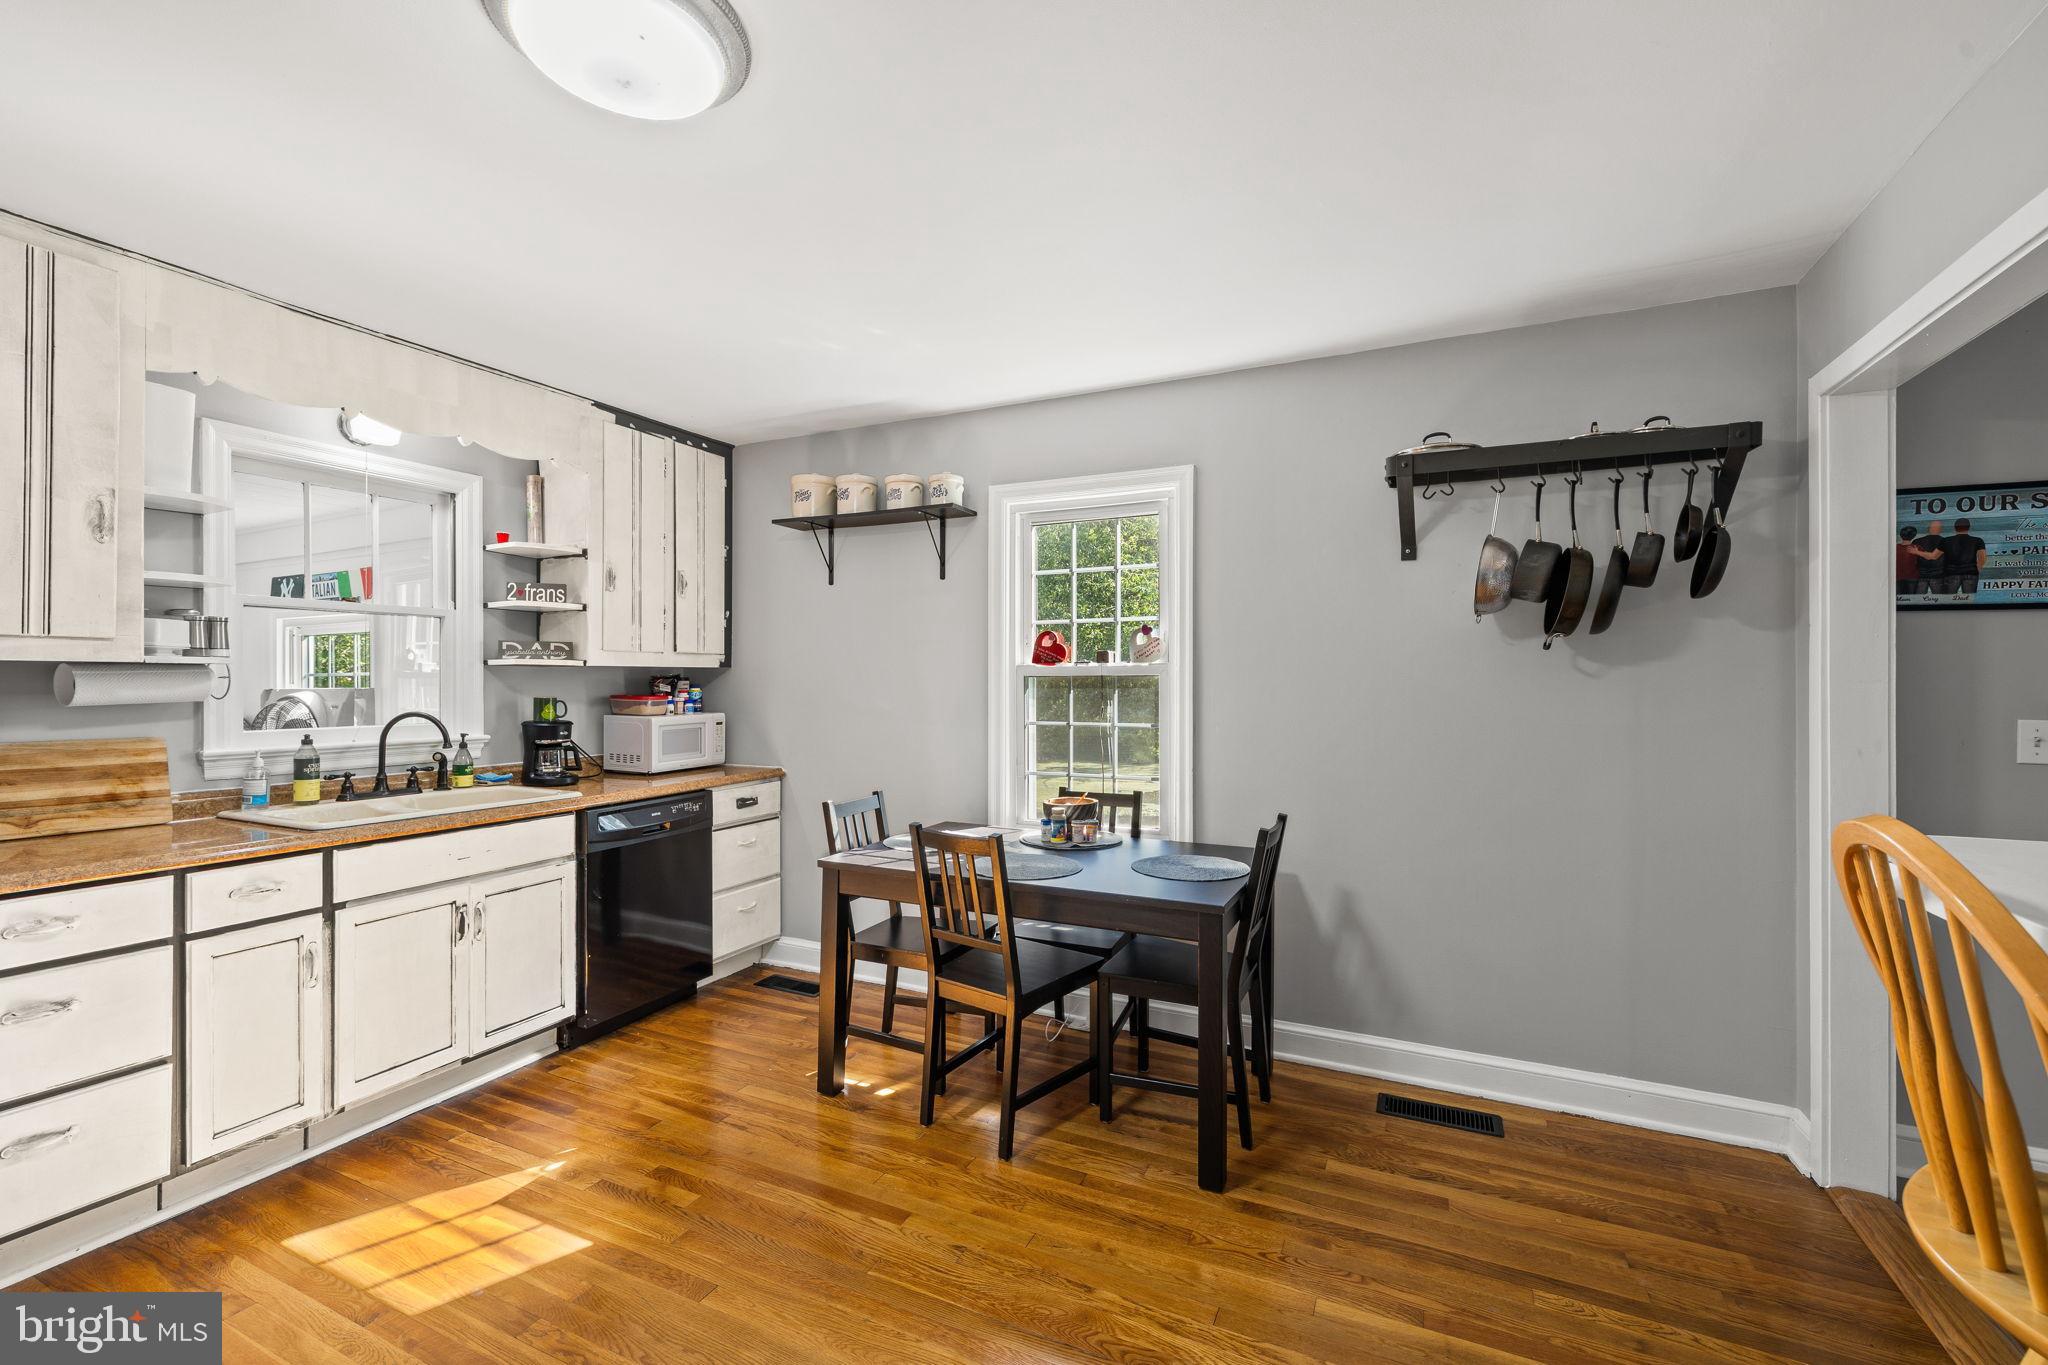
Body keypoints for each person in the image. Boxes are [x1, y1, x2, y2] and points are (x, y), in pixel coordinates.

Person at [1943, 517, 1987, 596]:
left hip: (1951, 573)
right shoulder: (1978, 540)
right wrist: (1977, 568)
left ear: (1955, 527)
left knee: (1948, 600)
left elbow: (1936, 557)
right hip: (1971, 572)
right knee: (1969, 600)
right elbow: (1982, 558)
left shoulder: (1946, 540)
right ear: (1969, 527)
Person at [1911, 520, 1948, 594]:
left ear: (1928, 529)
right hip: (1939, 576)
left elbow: (1912, 561)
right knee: (1940, 600)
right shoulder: (1946, 542)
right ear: (1940, 529)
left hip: (1921, 575)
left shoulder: (1916, 541)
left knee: (1918, 600)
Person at [1897, 525, 1921, 596]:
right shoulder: (1917, 548)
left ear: (1901, 535)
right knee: (1911, 599)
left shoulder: (1895, 547)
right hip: (1913, 577)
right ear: (1914, 536)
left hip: (1897, 577)